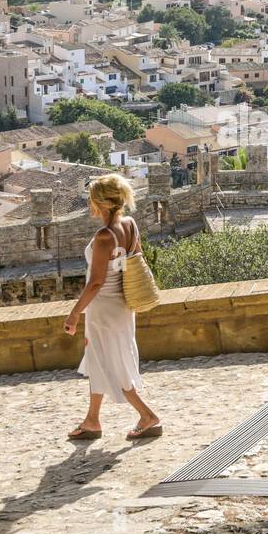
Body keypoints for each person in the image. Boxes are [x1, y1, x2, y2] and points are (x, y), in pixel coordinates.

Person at [64, 173, 162, 441]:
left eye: (92, 200)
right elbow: (134, 260)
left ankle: (148, 416)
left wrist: (74, 313)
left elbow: (95, 283)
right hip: (122, 305)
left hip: (103, 308)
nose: (89, 204)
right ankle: (92, 420)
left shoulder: (104, 237)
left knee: (112, 363)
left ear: (102, 203)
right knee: (99, 358)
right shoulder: (130, 225)